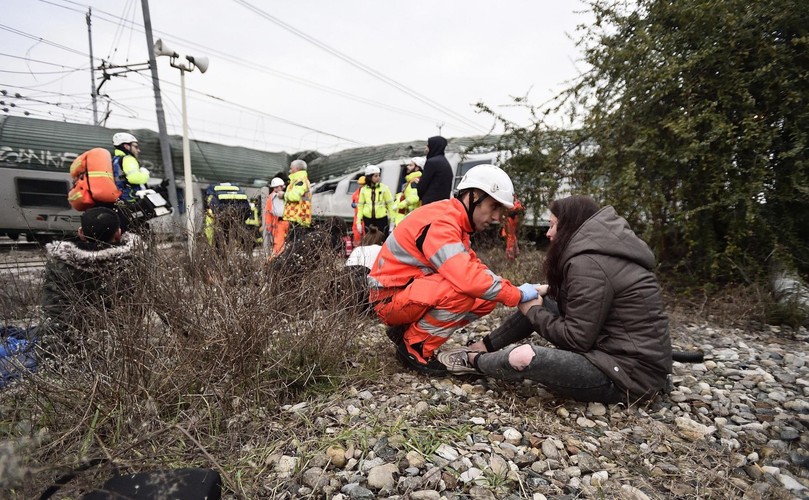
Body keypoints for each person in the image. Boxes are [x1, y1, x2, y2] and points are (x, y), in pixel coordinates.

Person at [437, 195, 672, 404]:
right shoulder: (601, 254)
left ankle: (474, 360)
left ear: (569, 226)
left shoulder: (588, 263)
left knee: (524, 356)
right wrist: (548, 293)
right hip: (622, 355)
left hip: (627, 377)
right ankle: (485, 346)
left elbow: (577, 339)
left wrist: (533, 312)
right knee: (542, 303)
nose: (548, 233)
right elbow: (591, 300)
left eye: (552, 226)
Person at [368, 164, 542, 376]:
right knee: (463, 291)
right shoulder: (443, 223)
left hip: (401, 293)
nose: (497, 217)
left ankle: (408, 331)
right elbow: (467, 278)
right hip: (389, 300)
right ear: (473, 196)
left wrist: (510, 288)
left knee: (486, 298)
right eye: (494, 206)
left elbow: (474, 268)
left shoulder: (453, 220)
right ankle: (415, 347)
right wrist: (518, 294)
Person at [41, 206, 140, 337]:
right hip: (123, 334)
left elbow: (53, 309)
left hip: (72, 337)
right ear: (118, 233)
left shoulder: (59, 263)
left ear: (81, 233)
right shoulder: (136, 260)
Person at [110, 132, 150, 232]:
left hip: (119, 200)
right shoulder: (128, 159)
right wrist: (145, 173)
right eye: (135, 147)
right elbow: (134, 178)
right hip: (130, 200)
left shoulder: (115, 159)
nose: (138, 150)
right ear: (126, 146)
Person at [356, 165, 395, 235]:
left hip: (381, 219)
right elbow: (360, 206)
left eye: (378, 175)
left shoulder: (384, 188)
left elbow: (390, 205)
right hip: (368, 219)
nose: (378, 178)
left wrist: (392, 222)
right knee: (369, 241)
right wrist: (358, 222)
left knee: (382, 239)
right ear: (369, 177)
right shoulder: (363, 190)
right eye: (376, 176)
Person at [416, 136, 453, 205]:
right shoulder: (444, 162)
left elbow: (422, 185)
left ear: (433, 146)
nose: (426, 148)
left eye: (428, 145)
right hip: (443, 203)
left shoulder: (431, 162)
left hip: (430, 203)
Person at [283, 159, 312, 244]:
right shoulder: (299, 180)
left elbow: (295, 196)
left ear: (297, 169)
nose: (290, 170)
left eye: (291, 168)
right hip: (298, 218)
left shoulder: (300, 180)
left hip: (298, 218)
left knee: (295, 246)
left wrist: (283, 195)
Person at [392, 157, 424, 227]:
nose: (408, 167)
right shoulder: (412, 180)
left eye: (411, 165)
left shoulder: (414, 182)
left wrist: (399, 205)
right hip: (408, 218)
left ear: (417, 168)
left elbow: (414, 198)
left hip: (408, 218)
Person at [264, 177, 289, 258]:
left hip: (287, 222)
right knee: (278, 247)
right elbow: (268, 213)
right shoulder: (272, 197)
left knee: (286, 246)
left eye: (280, 187)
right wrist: (269, 227)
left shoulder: (285, 195)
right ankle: (274, 264)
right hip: (278, 224)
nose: (278, 188)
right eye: (276, 187)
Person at [350, 176, 366, 246]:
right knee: (356, 233)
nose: (361, 185)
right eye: (360, 184)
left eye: (363, 184)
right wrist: (353, 204)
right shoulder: (355, 194)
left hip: (366, 216)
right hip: (357, 217)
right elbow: (353, 202)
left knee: (366, 233)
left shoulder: (368, 193)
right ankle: (357, 247)